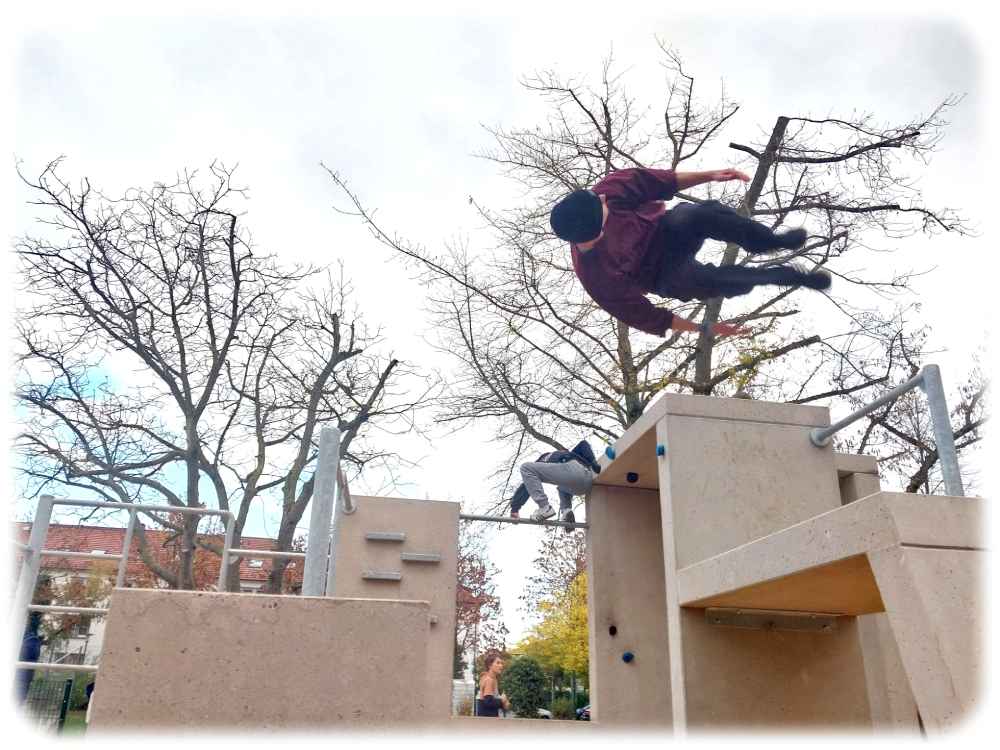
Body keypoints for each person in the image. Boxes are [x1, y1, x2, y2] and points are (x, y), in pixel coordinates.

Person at [548, 167, 831, 338]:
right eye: (601, 205)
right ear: (596, 233)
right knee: (708, 280)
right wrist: (704, 328)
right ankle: (787, 277)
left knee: (692, 216)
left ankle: (770, 241)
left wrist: (711, 175)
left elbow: (661, 181)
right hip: (661, 275)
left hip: (665, 230)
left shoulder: (608, 191)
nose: (601, 196)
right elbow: (647, 316)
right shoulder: (597, 278)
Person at [509, 439, 601, 530]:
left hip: (572, 470)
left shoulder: (547, 457)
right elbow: (583, 444)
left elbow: (527, 484)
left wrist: (515, 508)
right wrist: (594, 463)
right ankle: (566, 511)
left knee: (526, 468)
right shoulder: (574, 454)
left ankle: (544, 507)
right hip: (586, 483)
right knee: (561, 488)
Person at [475, 653, 511, 718]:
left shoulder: (492, 679)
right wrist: (502, 700)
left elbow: (491, 701)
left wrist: (504, 703)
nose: (501, 665)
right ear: (490, 665)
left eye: (501, 663)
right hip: (487, 721)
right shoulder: (489, 680)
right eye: (498, 663)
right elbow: (488, 702)